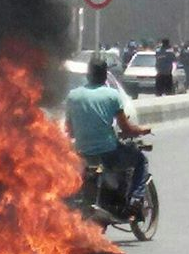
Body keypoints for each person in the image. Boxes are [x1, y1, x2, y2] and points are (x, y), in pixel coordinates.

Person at [65, 58, 151, 218]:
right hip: (108, 153)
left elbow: (69, 130)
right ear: (105, 76)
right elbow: (126, 128)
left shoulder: (73, 96)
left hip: (82, 154)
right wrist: (142, 130)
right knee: (141, 160)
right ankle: (135, 200)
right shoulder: (112, 95)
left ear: (88, 75)